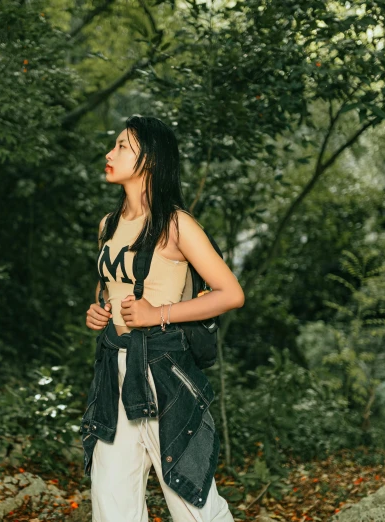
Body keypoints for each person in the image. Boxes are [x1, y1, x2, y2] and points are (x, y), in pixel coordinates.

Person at [82, 115, 245, 522]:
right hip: (113, 368)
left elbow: (231, 294)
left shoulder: (176, 225)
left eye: (122, 146)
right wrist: (98, 309)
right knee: (110, 500)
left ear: (150, 161)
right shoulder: (108, 224)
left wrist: (159, 313)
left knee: (190, 497)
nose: (109, 153)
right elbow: (108, 284)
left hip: (163, 369)